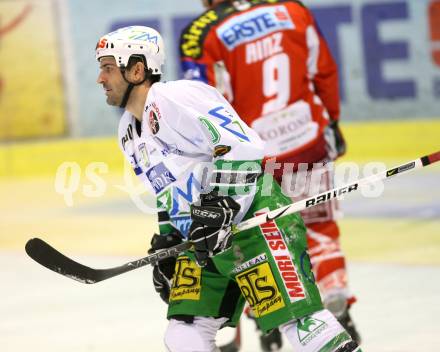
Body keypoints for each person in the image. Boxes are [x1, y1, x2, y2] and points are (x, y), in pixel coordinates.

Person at [95, 25, 361, 352]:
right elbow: (166, 191)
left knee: (300, 324)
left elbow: (243, 147)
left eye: (108, 68)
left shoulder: (175, 98)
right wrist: (168, 238)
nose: (101, 79)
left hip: (253, 223)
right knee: (183, 334)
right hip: (204, 237)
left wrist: (222, 204)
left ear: (136, 70)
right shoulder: (128, 132)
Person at [179, 0, 360, 350]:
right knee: (321, 231)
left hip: (256, 159)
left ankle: (269, 324)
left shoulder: (202, 32)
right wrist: (333, 121)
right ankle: (337, 304)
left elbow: (204, 106)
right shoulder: (292, 9)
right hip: (308, 140)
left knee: (256, 242)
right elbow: (323, 70)